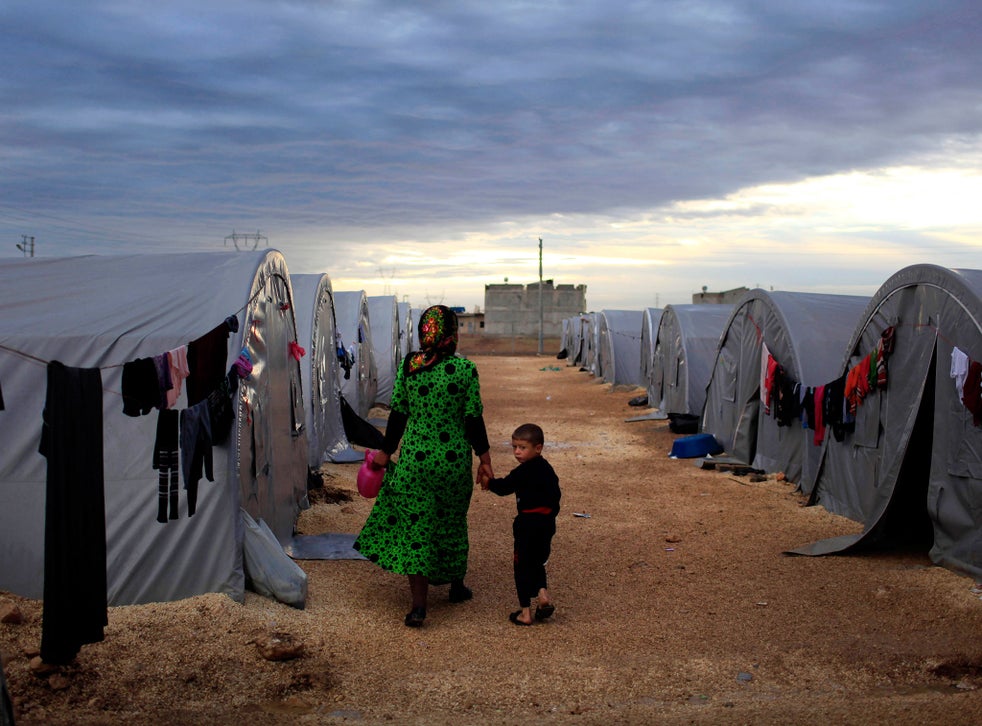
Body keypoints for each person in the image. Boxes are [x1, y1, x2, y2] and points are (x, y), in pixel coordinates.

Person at [354, 305, 493, 627]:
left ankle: (418, 607)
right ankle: (456, 587)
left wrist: (386, 454)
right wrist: (485, 459)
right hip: (453, 462)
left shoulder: (410, 366)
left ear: (423, 332)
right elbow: (473, 419)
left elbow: (398, 415)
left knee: (417, 527)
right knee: (452, 521)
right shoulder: (465, 369)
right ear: (453, 333)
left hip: (415, 461)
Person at [480, 423, 561, 626]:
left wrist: (489, 482)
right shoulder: (548, 470)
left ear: (538, 448)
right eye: (514, 447)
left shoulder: (522, 472)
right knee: (538, 561)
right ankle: (542, 594)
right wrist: (550, 518)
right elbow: (556, 497)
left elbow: (504, 487)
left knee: (522, 566)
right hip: (546, 524)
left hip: (526, 524)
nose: (517, 452)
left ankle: (525, 613)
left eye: (522, 447)